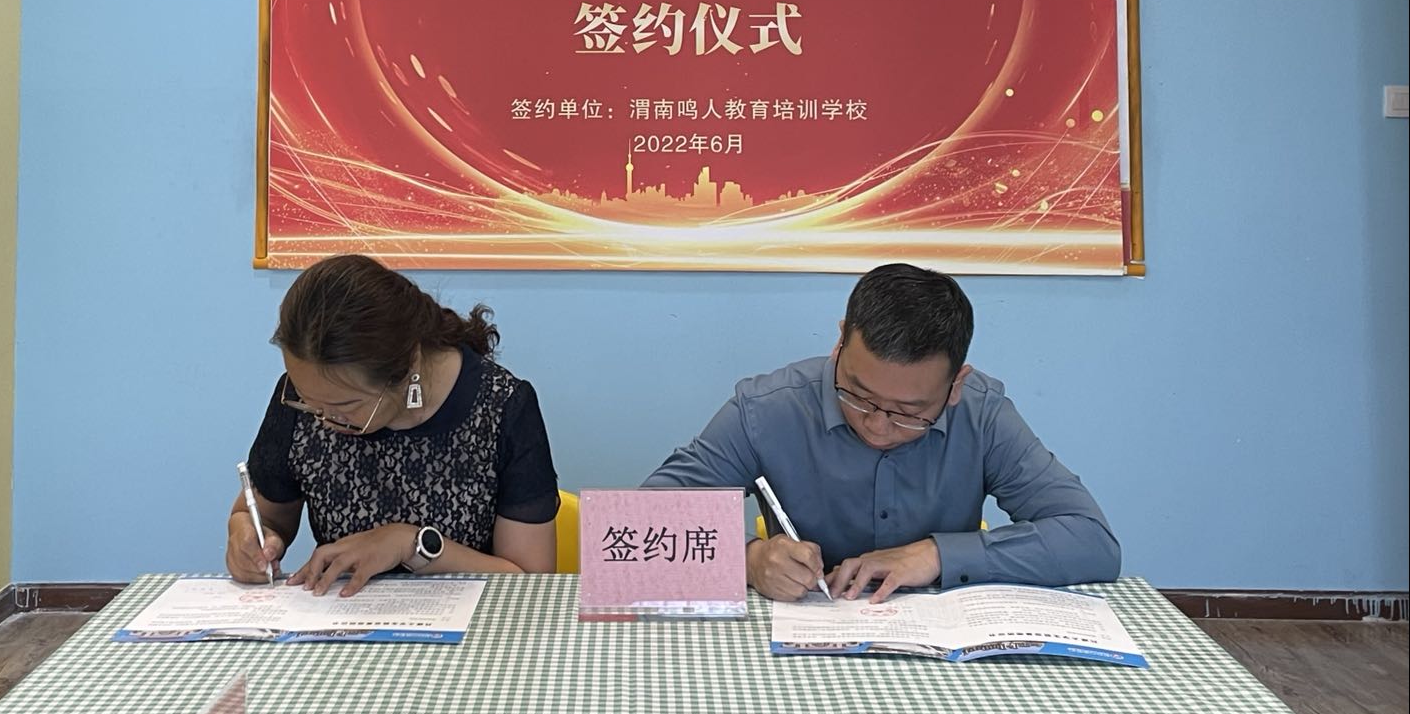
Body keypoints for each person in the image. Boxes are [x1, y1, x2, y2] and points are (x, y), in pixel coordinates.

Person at [643, 263, 1119, 602]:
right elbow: (640, 524)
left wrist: (935, 556)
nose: (876, 425)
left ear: (956, 385)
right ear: (840, 341)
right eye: (857, 394)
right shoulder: (768, 409)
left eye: (909, 413)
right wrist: (747, 560)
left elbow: (1090, 540)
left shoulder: (983, 415)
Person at [225, 254, 559, 595]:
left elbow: (532, 580)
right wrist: (247, 537)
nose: (322, 419)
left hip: (472, 621)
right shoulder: (304, 400)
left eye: (345, 406)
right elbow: (265, 517)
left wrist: (410, 544)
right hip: (342, 616)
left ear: (407, 369)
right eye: (309, 402)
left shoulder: (501, 407)